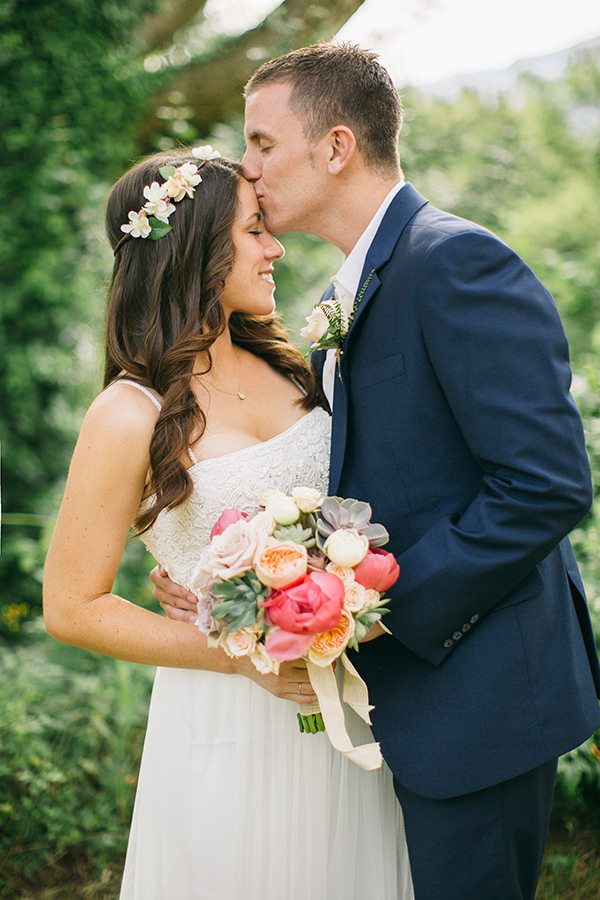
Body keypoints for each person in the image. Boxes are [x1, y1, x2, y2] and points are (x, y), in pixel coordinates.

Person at [154, 43, 600, 900]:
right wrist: (236, 582)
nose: (246, 169)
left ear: (336, 147)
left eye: (262, 143)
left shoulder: (457, 264)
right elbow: (368, 480)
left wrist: (367, 612)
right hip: (398, 711)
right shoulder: (351, 289)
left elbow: (545, 484)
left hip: (482, 700)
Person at [43, 151, 414, 899]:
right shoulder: (128, 414)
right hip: (228, 716)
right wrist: (238, 656)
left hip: (352, 699)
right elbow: (71, 607)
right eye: (255, 231)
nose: (276, 247)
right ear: (198, 250)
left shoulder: (294, 365)